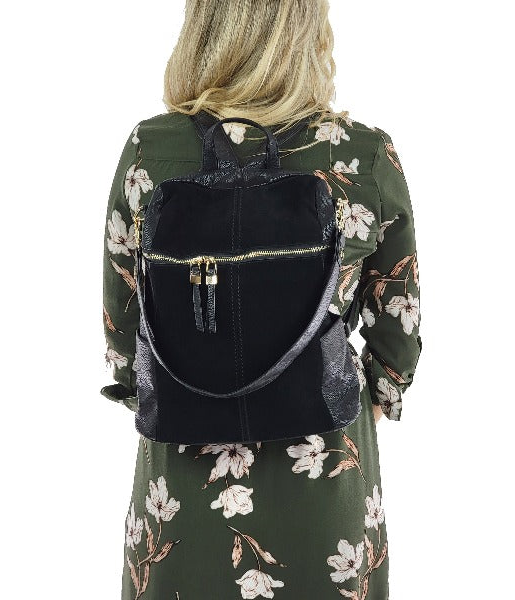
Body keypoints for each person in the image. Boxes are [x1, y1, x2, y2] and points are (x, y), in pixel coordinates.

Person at [101, 1, 422, 597]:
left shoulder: (150, 150)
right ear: (307, 31)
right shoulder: (361, 155)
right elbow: (396, 335)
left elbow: (124, 341)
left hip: (183, 482)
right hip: (325, 480)